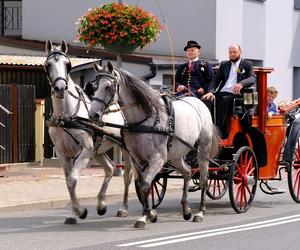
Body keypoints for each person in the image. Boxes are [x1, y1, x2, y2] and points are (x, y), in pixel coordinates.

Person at [202, 44, 256, 138]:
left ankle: (217, 132)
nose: (232, 54)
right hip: (223, 92)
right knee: (206, 100)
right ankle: (204, 129)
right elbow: (216, 79)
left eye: (234, 52)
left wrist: (241, 83)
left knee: (224, 100)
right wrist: (210, 91)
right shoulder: (224, 64)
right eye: (230, 52)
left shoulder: (247, 64)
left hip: (237, 95)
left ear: (240, 52)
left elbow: (252, 78)